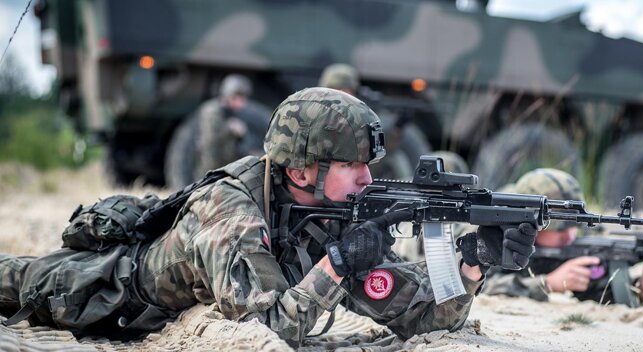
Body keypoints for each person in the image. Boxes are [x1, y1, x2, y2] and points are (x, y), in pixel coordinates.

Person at [0, 88, 536, 347]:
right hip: (107, 295)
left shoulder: (328, 210)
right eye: (351, 165)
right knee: (16, 280)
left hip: (166, 307)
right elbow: (269, 333)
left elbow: (422, 317)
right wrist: (337, 266)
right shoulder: (232, 210)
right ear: (302, 170)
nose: (368, 181)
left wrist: (472, 266)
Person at [481, 168, 643, 305]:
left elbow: (597, 292)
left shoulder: (566, 246)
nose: (569, 235)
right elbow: (483, 285)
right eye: (559, 227)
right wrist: (547, 283)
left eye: (574, 225)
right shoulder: (494, 233)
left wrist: (642, 288)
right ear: (528, 222)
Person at [194, 74, 270, 180]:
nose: (241, 104)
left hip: (225, 165)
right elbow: (211, 138)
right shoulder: (212, 110)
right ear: (228, 96)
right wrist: (230, 129)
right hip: (211, 166)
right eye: (237, 98)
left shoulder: (234, 112)